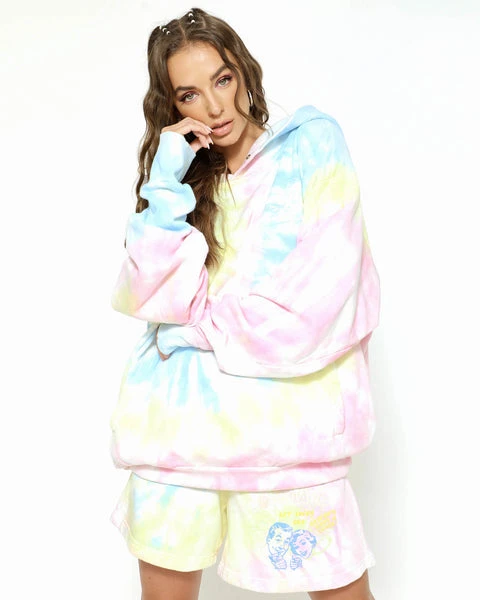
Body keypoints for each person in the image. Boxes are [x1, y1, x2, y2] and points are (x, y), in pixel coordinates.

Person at [110, 7, 380, 600]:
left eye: (222, 79)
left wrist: (192, 328)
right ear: (172, 106)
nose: (213, 107)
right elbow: (151, 295)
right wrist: (165, 181)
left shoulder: (312, 145)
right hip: (175, 437)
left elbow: (315, 306)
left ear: (244, 71)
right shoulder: (185, 182)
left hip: (288, 440)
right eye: (189, 94)